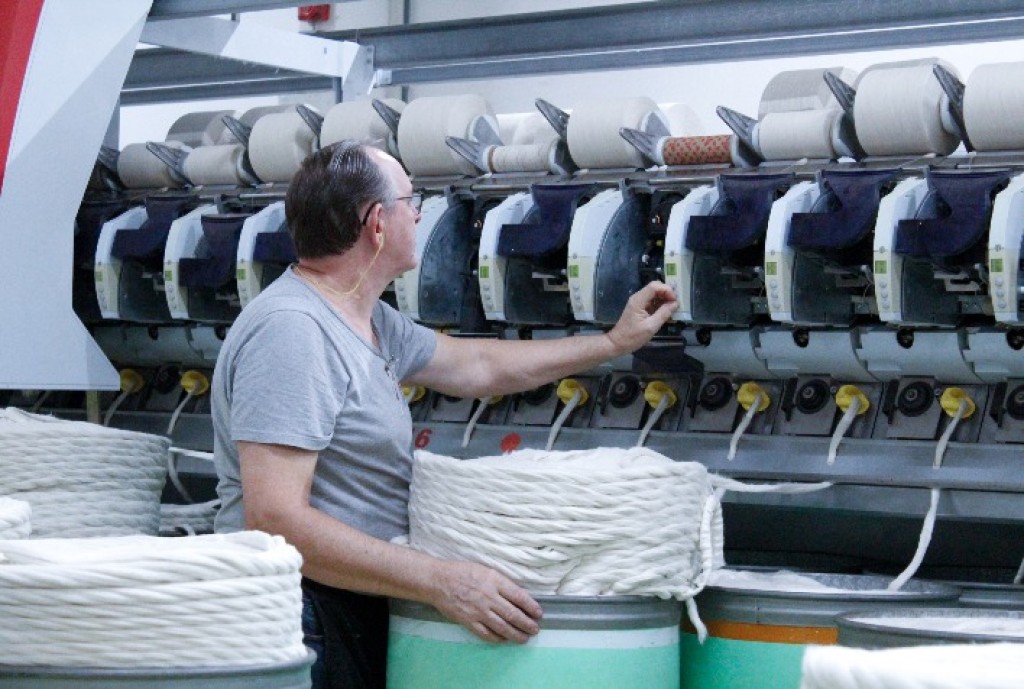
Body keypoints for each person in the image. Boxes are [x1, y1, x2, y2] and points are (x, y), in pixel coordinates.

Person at [210, 140, 678, 689]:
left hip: (346, 603)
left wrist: (612, 343)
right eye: (411, 201)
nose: (419, 215)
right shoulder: (294, 331)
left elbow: (478, 366)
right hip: (299, 617)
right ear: (376, 223)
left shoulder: (367, 319)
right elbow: (274, 520)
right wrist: (440, 581)